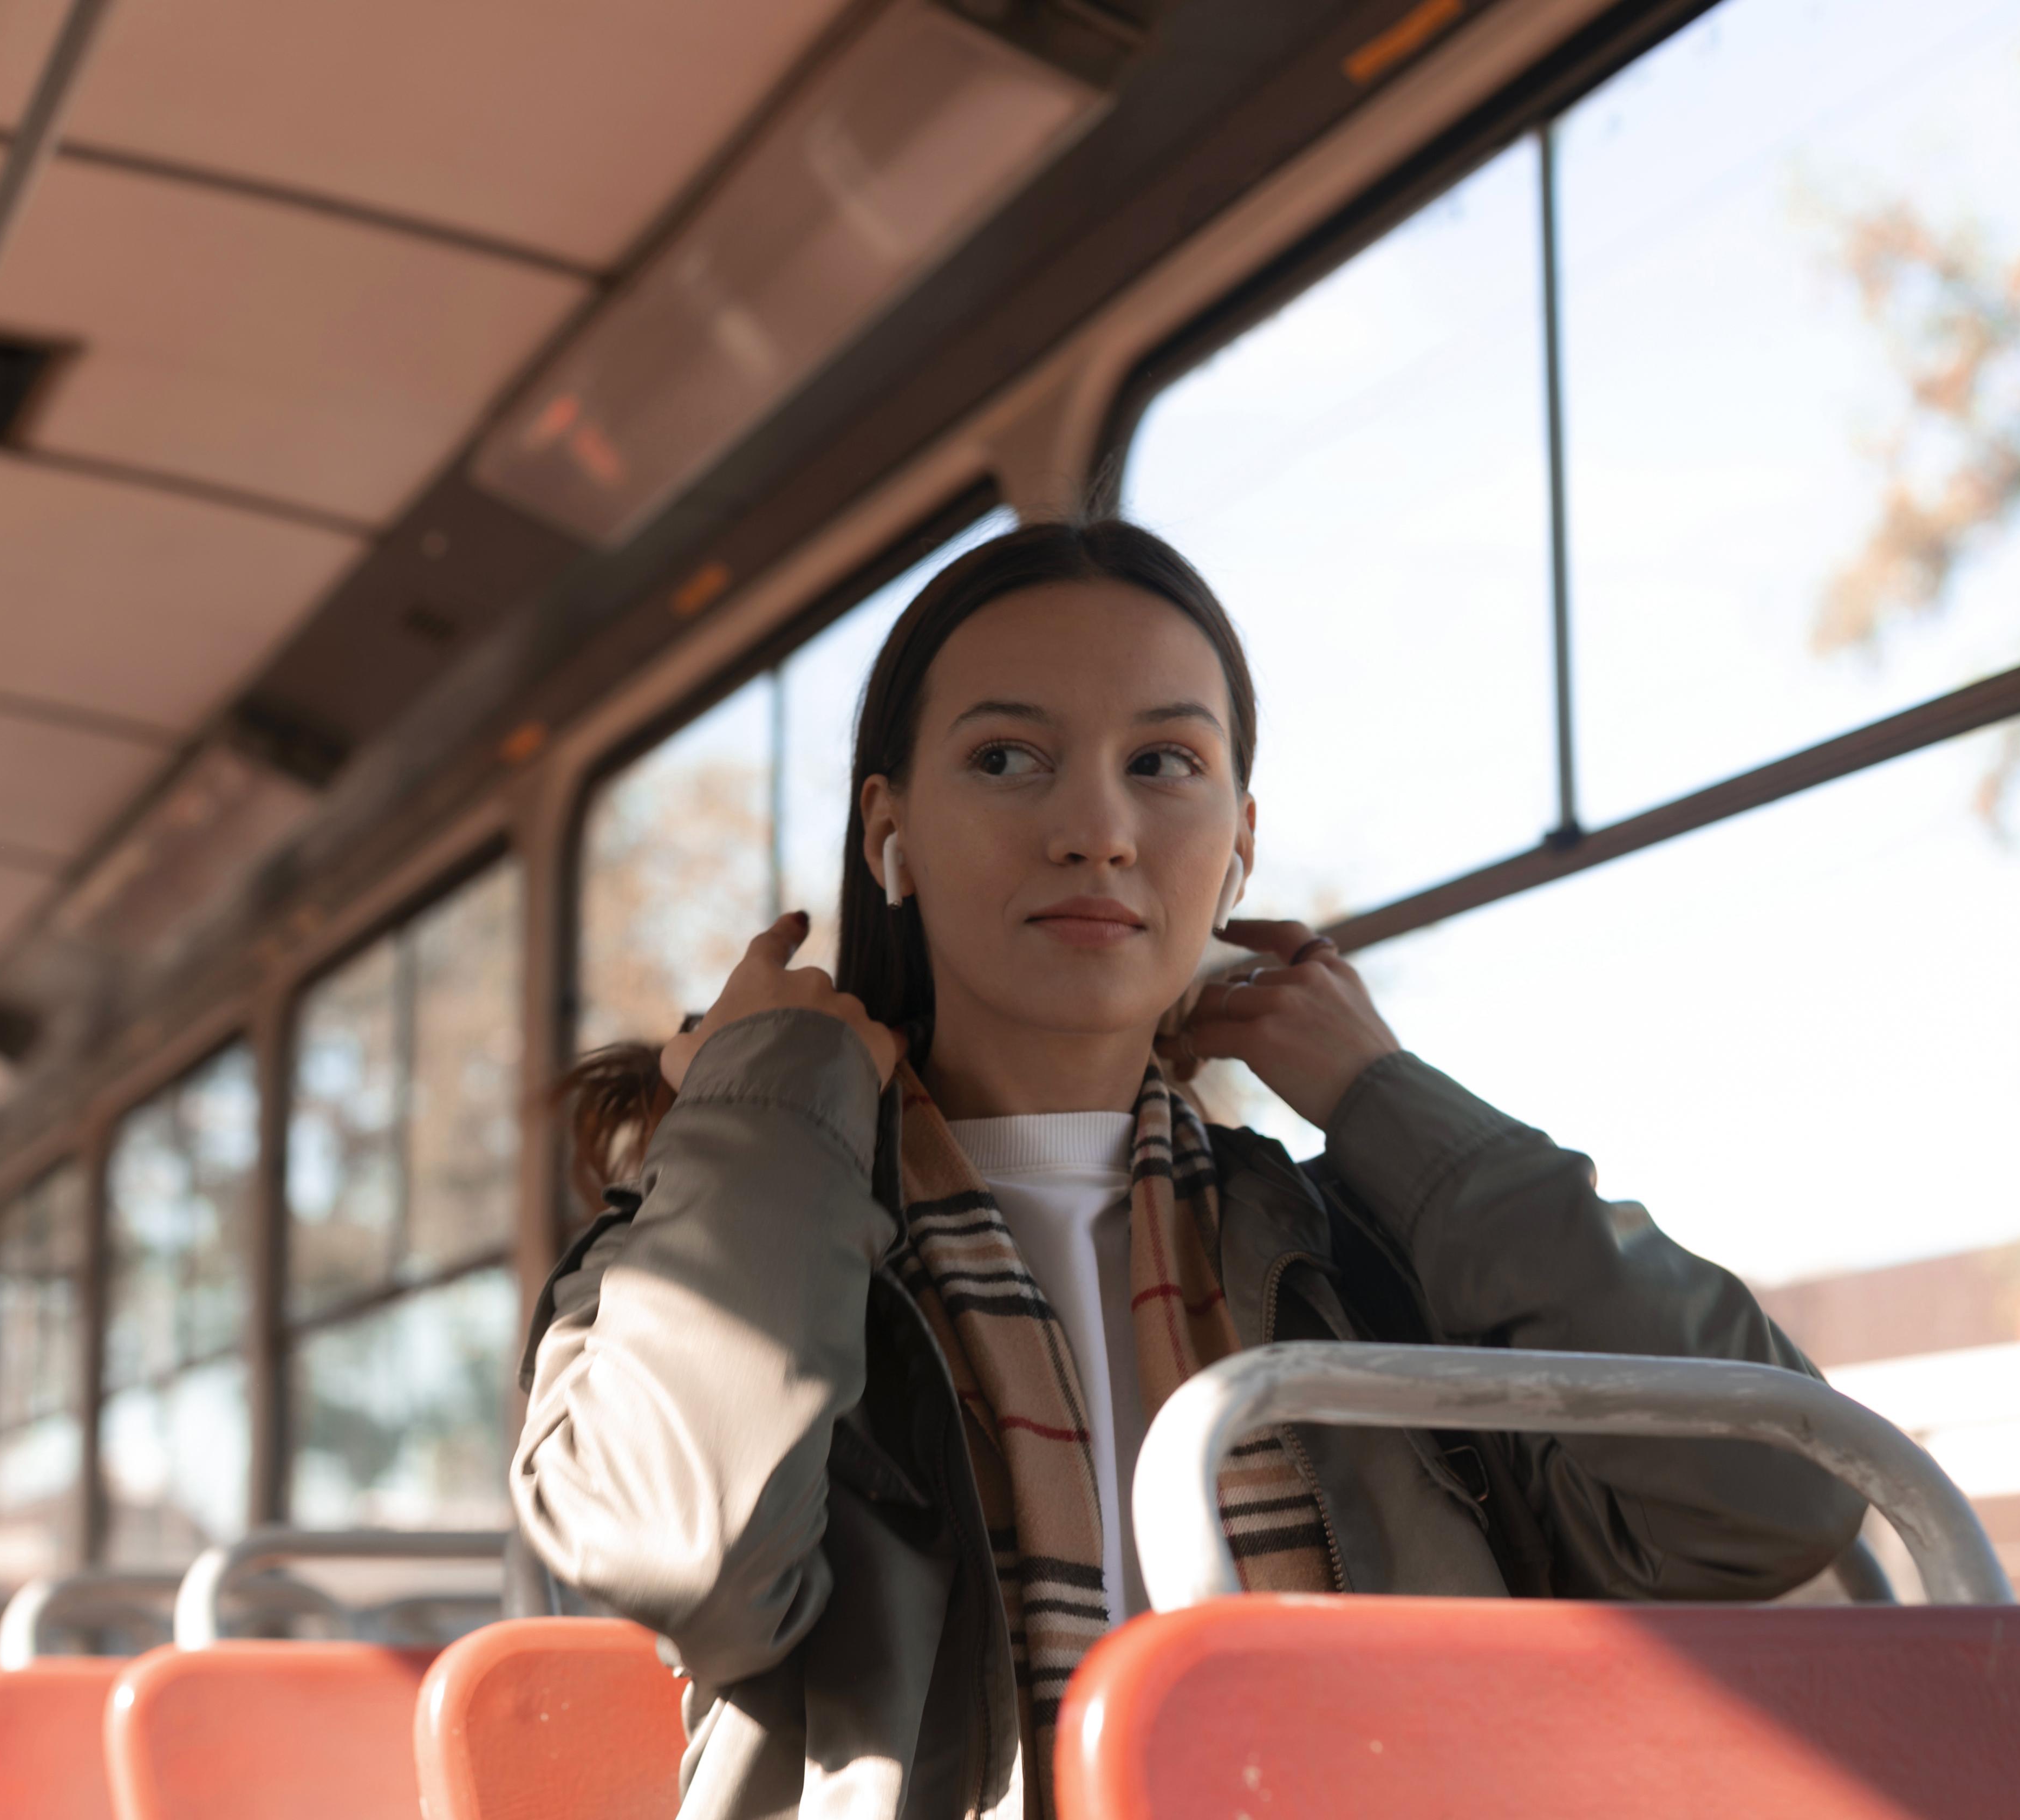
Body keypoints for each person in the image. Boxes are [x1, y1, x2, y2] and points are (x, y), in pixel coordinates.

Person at [514, 519, 1864, 1820]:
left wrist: (1390, 1107)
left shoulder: (1365, 1262)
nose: (1096, 829)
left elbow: (1776, 1495)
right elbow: (684, 1557)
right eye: (1006, 759)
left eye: (1163, 763)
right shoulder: (732, 1235)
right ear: (891, 833)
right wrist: (769, 1104)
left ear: (1240, 846)